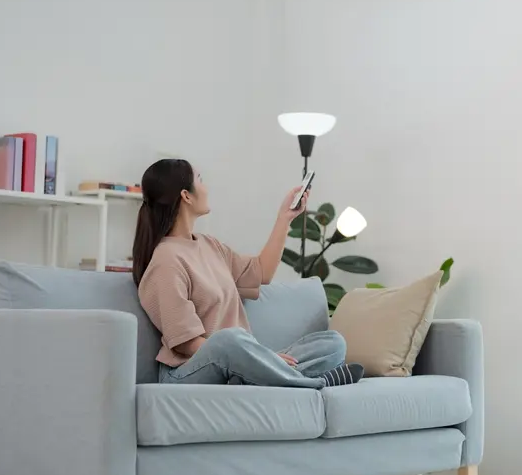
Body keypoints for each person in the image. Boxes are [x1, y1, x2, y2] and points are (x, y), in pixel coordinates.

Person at [133, 159, 364, 388]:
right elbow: (187, 343)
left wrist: (285, 218)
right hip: (188, 370)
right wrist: (255, 357)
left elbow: (261, 273)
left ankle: (252, 380)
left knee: (333, 343)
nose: (206, 187)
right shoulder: (166, 260)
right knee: (228, 339)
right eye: (200, 180)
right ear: (186, 196)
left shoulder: (209, 245)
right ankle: (313, 383)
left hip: (237, 360)